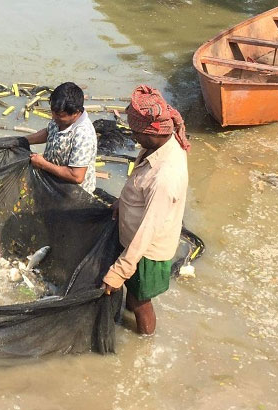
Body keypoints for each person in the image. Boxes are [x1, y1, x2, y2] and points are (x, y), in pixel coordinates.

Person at [101, 85, 190, 335]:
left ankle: (144, 342)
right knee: (134, 294)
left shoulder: (165, 177)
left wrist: (119, 271)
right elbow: (139, 182)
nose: (134, 138)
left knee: (141, 302)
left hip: (147, 252)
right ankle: (128, 314)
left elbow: (148, 230)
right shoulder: (159, 145)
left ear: (152, 132)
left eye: (136, 133)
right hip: (135, 242)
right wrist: (122, 202)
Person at [22, 82, 97, 194]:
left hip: (72, 194)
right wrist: (24, 140)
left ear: (76, 112)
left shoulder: (83, 134)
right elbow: (49, 132)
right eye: (53, 113)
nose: (53, 117)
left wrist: (43, 164)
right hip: (52, 183)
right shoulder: (59, 117)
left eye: (60, 116)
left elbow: (77, 176)